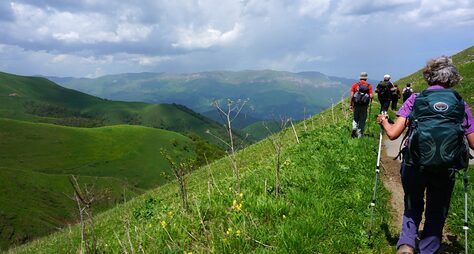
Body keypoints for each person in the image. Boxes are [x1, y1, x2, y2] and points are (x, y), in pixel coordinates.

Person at [376, 56, 474, 254]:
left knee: (412, 204)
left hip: (414, 163)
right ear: (452, 78)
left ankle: (406, 244)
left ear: (428, 76)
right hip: (445, 167)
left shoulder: (416, 99)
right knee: (437, 210)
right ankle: (429, 249)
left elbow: (394, 134)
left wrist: (383, 121)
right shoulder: (459, 103)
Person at [349, 72, 374, 138]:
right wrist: (370, 99)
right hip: (364, 105)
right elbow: (371, 96)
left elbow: (351, 96)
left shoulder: (355, 85)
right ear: (366, 78)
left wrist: (351, 105)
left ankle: (354, 128)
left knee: (355, 117)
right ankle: (359, 135)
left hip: (356, 104)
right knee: (362, 119)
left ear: (360, 77)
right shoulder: (369, 86)